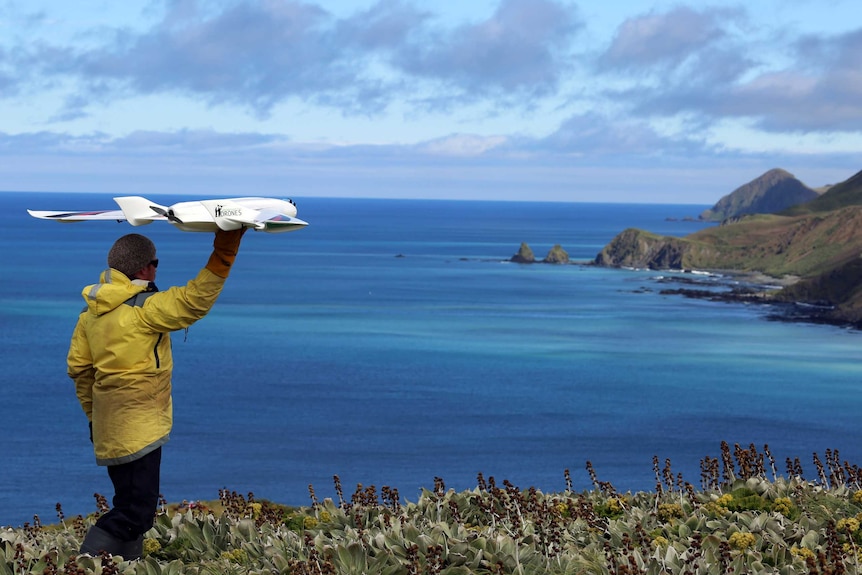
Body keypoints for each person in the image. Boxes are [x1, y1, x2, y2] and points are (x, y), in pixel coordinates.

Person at [67, 228, 246, 560]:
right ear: (144, 269)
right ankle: (84, 565)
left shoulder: (90, 314)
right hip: (139, 426)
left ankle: (124, 565)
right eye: (156, 263)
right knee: (136, 512)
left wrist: (94, 416)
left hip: (108, 426)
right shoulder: (144, 309)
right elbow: (194, 299)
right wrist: (227, 246)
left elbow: (79, 370)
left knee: (130, 504)